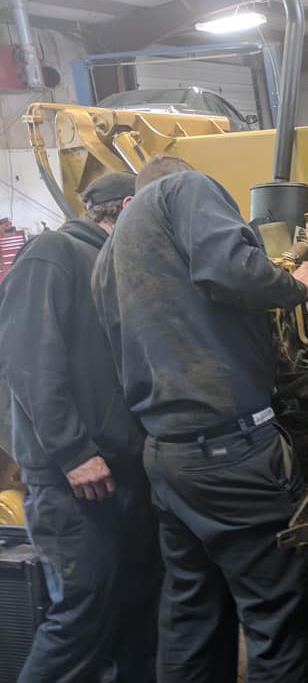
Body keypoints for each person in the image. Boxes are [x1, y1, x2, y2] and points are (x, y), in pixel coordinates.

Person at [92, 155, 308, 683]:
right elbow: (232, 270)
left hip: (168, 455)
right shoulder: (182, 186)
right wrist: (299, 285)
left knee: (191, 613)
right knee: (277, 619)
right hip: (233, 453)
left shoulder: (107, 258)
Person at [0, 171, 161, 683]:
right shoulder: (54, 253)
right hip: (74, 480)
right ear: (128, 207)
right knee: (82, 616)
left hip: (124, 472)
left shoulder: (113, 263)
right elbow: (29, 360)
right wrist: (73, 452)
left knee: (137, 610)